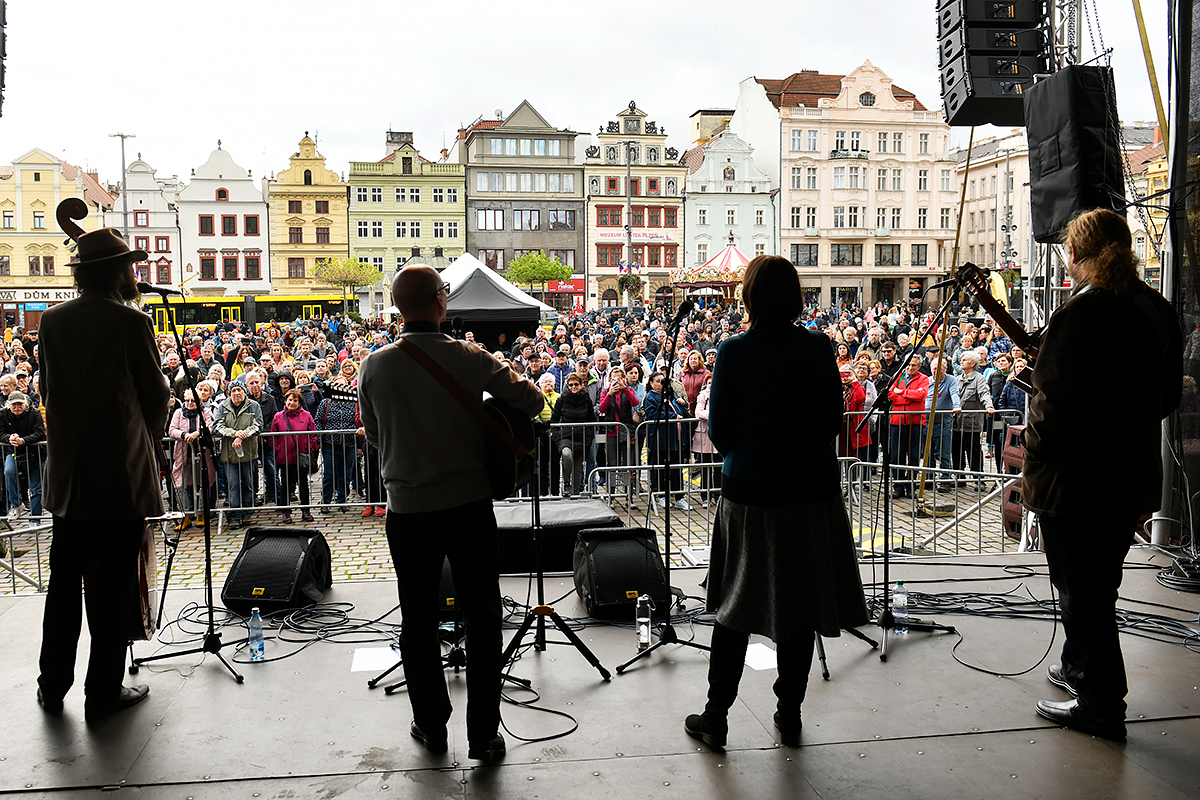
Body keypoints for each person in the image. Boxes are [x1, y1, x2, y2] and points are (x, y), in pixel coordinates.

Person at [358, 265, 542, 762]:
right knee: (483, 617)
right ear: (441, 302)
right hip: (468, 507)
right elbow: (532, 400)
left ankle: (431, 724)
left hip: (408, 510)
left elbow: (374, 437)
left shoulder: (373, 366)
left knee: (417, 620)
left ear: (398, 307)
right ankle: (483, 734)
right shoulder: (468, 356)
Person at [685, 255, 867, 751]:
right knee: (799, 605)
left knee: (734, 605)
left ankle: (716, 716)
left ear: (749, 297)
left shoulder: (734, 351)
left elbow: (720, 431)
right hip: (811, 491)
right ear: (795, 297)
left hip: (751, 491)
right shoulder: (818, 347)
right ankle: (790, 713)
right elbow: (831, 419)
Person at [1027, 209, 1181, 742]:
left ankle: (1100, 704)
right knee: (1099, 585)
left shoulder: (1081, 312)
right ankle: (1079, 669)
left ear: (1074, 253)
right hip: (1129, 475)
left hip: (1076, 484)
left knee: (1081, 593)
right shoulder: (1155, 307)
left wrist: (1034, 448)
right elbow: (1166, 396)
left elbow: (1052, 406)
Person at [37, 224, 169, 721]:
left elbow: (48, 390)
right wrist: (145, 440)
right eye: (129, 267)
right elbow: (156, 396)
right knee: (113, 592)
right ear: (117, 273)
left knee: (63, 588)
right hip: (119, 480)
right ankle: (102, 692)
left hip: (68, 482)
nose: (134, 274)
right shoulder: (131, 322)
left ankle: (52, 685)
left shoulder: (51, 320)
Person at [167, 389, 216, 532]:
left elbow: (211, 427)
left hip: (202, 455)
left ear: (199, 402)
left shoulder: (205, 412)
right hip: (183, 456)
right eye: (187, 400)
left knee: (203, 483)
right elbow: (171, 430)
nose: (189, 403)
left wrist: (197, 433)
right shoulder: (178, 413)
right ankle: (186, 515)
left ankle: (201, 513)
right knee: (179, 485)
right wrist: (184, 435)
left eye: (193, 401)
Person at [272, 388, 317, 524]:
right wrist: (277, 449)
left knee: (303, 484)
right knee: (285, 485)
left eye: (295, 400)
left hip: (301, 456)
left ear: (299, 403)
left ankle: (305, 510)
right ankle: (286, 512)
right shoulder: (278, 416)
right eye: (290, 400)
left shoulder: (306, 415)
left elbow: (313, 433)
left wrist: (308, 448)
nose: (292, 403)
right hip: (284, 456)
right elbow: (273, 435)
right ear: (285, 401)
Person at [888, 355, 929, 498]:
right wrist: (908, 398)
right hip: (897, 421)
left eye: (914, 365)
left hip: (915, 422)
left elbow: (921, 395)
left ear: (919, 367)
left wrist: (902, 393)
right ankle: (898, 486)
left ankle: (911, 486)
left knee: (914, 456)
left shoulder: (923, 378)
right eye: (908, 365)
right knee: (896, 456)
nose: (910, 368)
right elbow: (890, 394)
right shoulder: (898, 376)